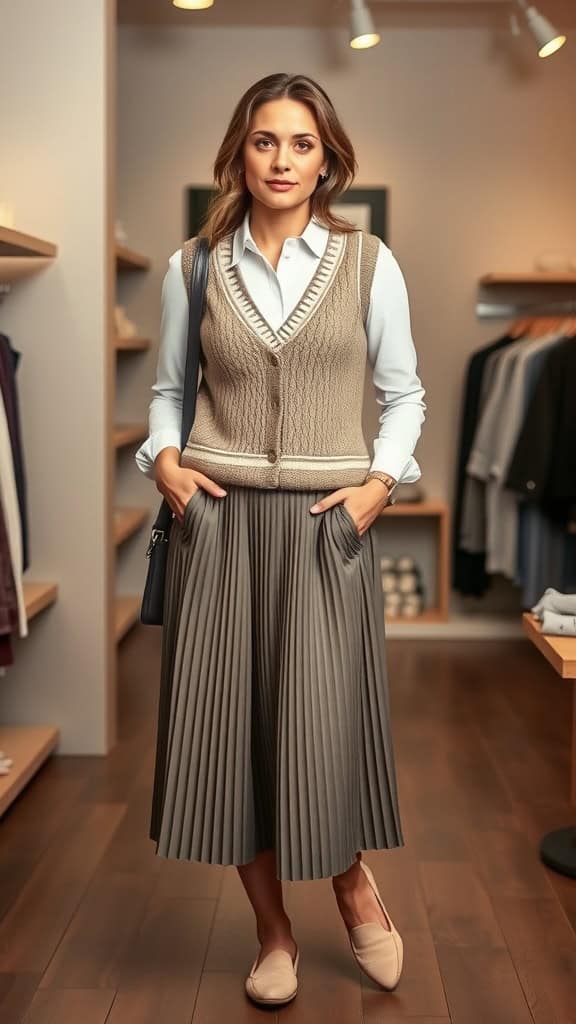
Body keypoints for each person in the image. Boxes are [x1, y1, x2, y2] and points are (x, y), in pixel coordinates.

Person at [135, 71, 426, 1007]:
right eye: (267, 141)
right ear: (241, 149)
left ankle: (351, 887)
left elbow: (404, 393)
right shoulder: (192, 265)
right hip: (215, 524)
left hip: (321, 530)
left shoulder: (371, 263)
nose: (283, 160)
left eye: (302, 144)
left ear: (327, 157)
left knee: (319, 726)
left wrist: (377, 486)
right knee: (232, 738)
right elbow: (168, 392)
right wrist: (165, 464)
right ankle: (272, 933)